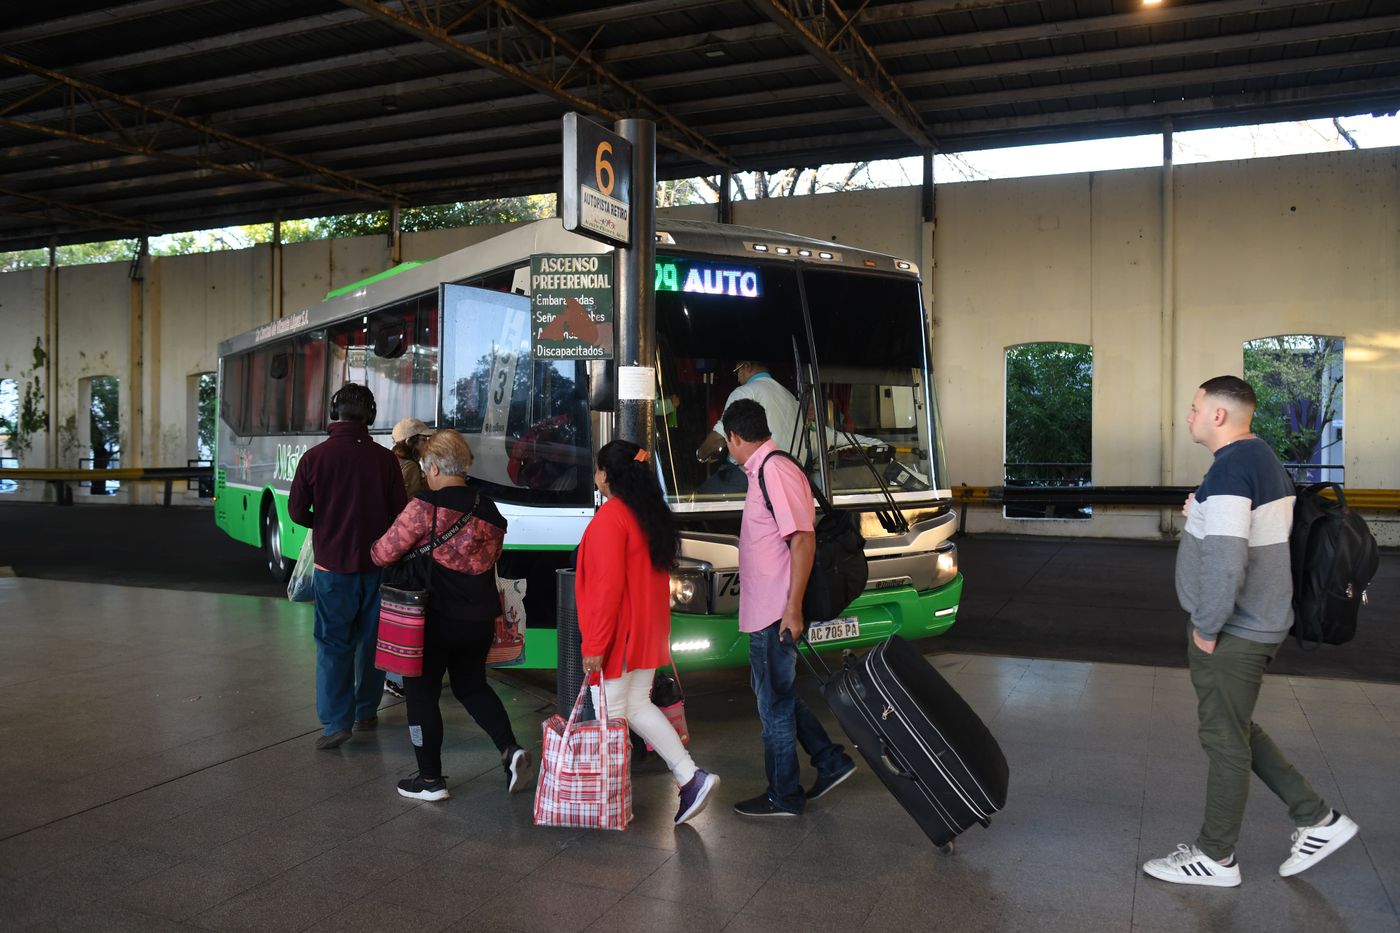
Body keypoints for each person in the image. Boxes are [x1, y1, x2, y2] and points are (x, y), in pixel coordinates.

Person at [1143, 375, 1359, 887]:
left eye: (1195, 408)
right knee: (1237, 728)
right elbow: (1248, 533)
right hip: (1261, 621)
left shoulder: (1230, 471)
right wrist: (1199, 512)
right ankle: (1317, 819)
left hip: (1236, 627)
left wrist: (1206, 625)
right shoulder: (1258, 459)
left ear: (1218, 415)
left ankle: (1216, 856)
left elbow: (1226, 564)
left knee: (1223, 738)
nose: (1190, 416)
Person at [371, 429, 534, 801]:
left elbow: (383, 553)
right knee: (472, 686)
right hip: (478, 618)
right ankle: (510, 750)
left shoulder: (424, 506)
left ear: (431, 466)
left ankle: (430, 779)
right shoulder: (489, 509)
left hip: (432, 619)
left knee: (421, 695)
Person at [720, 398, 855, 817]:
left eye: (728, 441)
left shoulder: (774, 469)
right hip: (768, 609)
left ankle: (784, 794)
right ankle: (829, 760)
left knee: (773, 707)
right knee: (777, 695)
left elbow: (803, 539)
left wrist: (793, 609)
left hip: (776, 612)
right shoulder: (763, 469)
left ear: (736, 437)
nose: (728, 448)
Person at [576, 440, 721, 826]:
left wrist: (594, 645)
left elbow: (606, 591)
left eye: (597, 469)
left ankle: (608, 802)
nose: (595, 476)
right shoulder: (649, 515)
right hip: (644, 635)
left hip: (617, 638)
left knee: (610, 718)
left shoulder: (611, 519)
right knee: (636, 709)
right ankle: (689, 777)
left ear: (607, 476)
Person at [289, 382, 407, 750]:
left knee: (332, 644)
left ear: (333, 413)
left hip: (332, 570)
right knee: (372, 643)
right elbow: (400, 514)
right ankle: (366, 710)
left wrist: (325, 525)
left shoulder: (315, 458)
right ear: (370, 416)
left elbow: (296, 512)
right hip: (376, 568)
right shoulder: (385, 459)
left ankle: (335, 722)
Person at [695, 361, 802, 493]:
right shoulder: (790, 397)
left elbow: (719, 437)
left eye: (737, 371)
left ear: (747, 366)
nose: (737, 378)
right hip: (790, 476)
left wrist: (701, 455)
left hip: (750, 475)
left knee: (698, 498)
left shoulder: (745, 391)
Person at [384, 418, 434, 700]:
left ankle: (390, 674)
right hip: (407, 549)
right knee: (409, 613)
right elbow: (414, 509)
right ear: (412, 441)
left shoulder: (388, 461)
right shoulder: (412, 468)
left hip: (389, 546)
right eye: (423, 439)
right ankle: (398, 678)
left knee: (392, 612)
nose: (427, 443)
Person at [391, 417, 432, 500]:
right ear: (409, 442)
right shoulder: (410, 466)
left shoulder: (392, 459)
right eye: (423, 440)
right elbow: (410, 500)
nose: (427, 444)